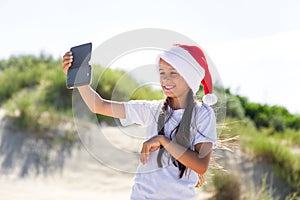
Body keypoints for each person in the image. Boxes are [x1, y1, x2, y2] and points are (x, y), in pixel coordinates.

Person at [62, 44, 218, 200]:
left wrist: (163, 140)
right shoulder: (152, 110)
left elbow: (201, 165)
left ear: (190, 78)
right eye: (162, 72)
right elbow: (99, 105)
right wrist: (79, 79)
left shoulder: (203, 114)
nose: (165, 79)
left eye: (173, 72)